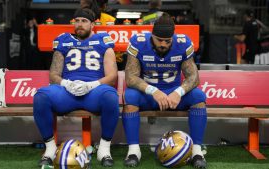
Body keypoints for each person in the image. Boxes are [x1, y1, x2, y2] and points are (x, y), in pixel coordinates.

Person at [33, 8, 119, 168]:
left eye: (84, 21)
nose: (80, 24)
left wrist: (91, 85)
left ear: (93, 24)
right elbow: (53, 74)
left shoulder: (103, 40)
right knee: (41, 96)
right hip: (67, 91)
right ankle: (50, 149)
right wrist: (66, 83)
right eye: (77, 21)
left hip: (94, 90)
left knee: (111, 96)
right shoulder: (63, 40)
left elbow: (112, 76)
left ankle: (104, 149)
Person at [122, 13, 207, 168]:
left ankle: (197, 151)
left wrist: (178, 92)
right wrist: (153, 90)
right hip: (148, 94)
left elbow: (194, 77)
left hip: (173, 93)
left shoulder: (183, 43)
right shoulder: (138, 43)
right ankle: (134, 151)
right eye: (159, 40)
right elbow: (130, 78)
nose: (163, 44)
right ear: (152, 35)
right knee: (130, 96)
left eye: (167, 41)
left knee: (198, 97)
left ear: (173, 38)